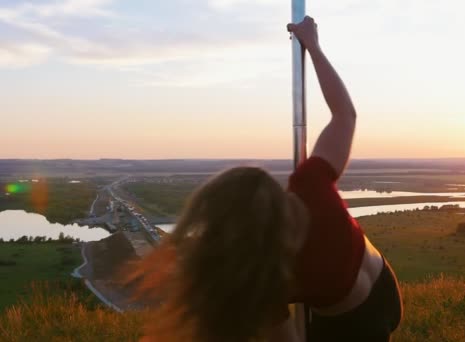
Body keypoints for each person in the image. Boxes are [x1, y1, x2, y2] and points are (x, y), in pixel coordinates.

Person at [132, 16, 402, 342]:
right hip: (386, 290)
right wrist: (313, 46)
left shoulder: (265, 275)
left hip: (345, 329)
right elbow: (345, 115)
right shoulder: (311, 185)